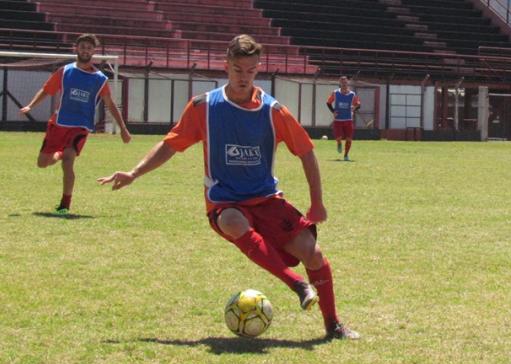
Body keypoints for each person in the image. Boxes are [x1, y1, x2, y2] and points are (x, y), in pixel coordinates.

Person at [97, 35, 359, 339]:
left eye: (249, 70)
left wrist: (317, 203)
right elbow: (170, 145)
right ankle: (297, 283)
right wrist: (134, 172)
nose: (243, 77)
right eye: (237, 70)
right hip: (224, 200)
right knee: (234, 222)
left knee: (312, 254)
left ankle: (333, 326)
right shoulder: (203, 107)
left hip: (266, 198)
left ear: (258, 70)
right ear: (226, 67)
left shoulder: (274, 112)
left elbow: (306, 152)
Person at [20, 33, 132, 214]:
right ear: (76, 49)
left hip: (80, 126)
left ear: (94, 51)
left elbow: (110, 104)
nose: (85, 50)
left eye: (89, 48)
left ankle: (65, 204)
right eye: (82, 47)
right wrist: (30, 106)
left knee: (68, 161)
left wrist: (123, 129)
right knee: (42, 163)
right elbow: (47, 90)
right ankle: (58, 153)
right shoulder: (65, 71)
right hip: (59, 123)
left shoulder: (100, 79)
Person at [326, 76, 360, 161]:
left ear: (347, 83)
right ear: (340, 83)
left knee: (349, 139)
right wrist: (333, 111)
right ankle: (339, 143)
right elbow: (328, 102)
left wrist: (354, 108)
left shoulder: (352, 94)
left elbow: (358, 104)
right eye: (342, 82)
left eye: (345, 82)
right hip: (338, 120)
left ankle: (346, 155)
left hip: (348, 120)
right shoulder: (335, 93)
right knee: (338, 138)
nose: (344, 84)